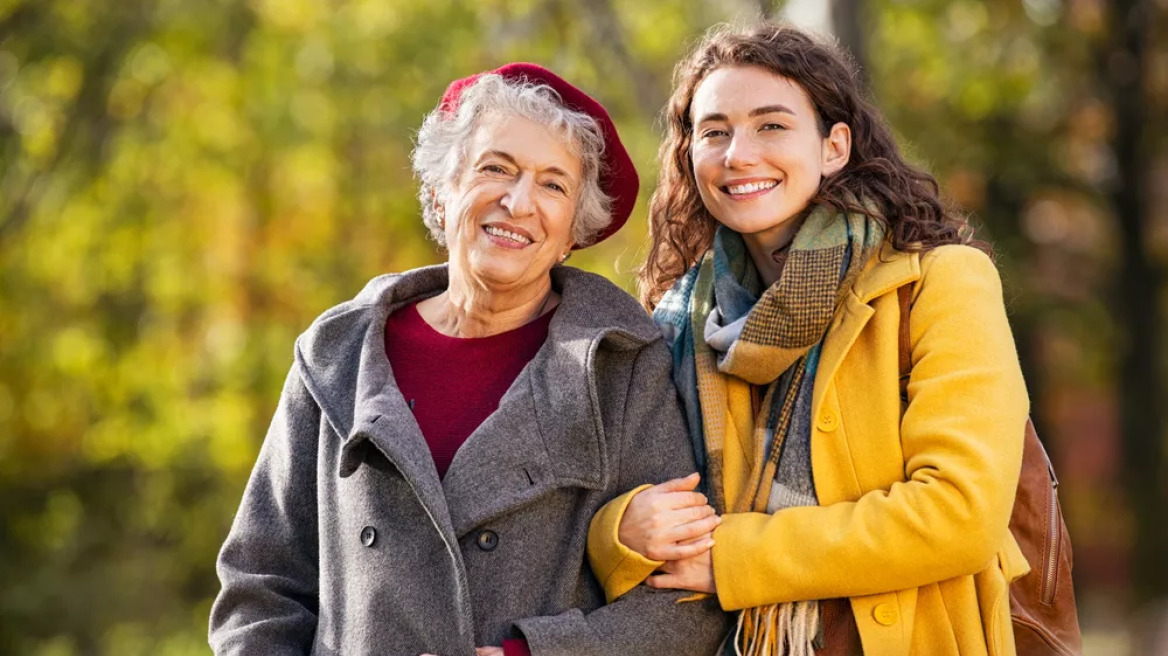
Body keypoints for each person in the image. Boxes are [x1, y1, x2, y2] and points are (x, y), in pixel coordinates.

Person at [209, 62, 729, 656]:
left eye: (553, 185)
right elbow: (261, 589)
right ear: (442, 188)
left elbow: (685, 605)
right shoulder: (337, 355)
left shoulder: (622, 364)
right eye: (495, 168)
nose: (518, 201)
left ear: (571, 233)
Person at [587, 23, 1032, 656]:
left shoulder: (938, 282)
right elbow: (614, 507)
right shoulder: (674, 320)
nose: (739, 154)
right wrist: (621, 531)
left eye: (771, 125)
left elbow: (960, 513)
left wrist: (737, 559)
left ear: (834, 147)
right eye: (714, 132)